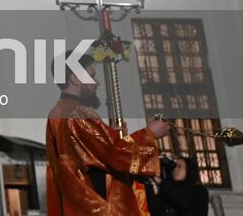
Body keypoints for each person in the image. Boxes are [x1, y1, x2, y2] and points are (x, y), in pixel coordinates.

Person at [45, 49, 170, 215]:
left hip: (76, 202)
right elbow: (114, 155)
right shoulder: (79, 112)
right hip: (96, 202)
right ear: (75, 78)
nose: (96, 82)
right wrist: (150, 133)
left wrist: (107, 135)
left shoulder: (56, 113)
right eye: (91, 75)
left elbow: (88, 153)